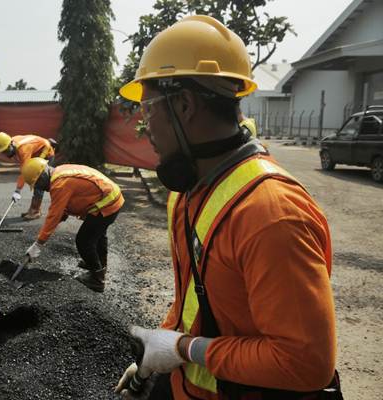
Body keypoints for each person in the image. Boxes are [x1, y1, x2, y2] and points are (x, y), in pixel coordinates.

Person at [114, 16, 341, 400]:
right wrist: (157, 354)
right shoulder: (187, 193)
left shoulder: (271, 214)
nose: (145, 125)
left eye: (148, 108)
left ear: (184, 104)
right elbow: (193, 300)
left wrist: (184, 348)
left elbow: (305, 363)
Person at [21, 157, 123, 292]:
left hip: (107, 202)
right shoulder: (59, 172)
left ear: (42, 177)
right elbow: (66, 204)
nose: (41, 189)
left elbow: (53, 215)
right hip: (111, 197)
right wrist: (62, 214)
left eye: (38, 184)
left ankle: (97, 280)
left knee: (84, 240)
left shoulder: (59, 184)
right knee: (97, 236)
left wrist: (38, 244)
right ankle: (99, 266)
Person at [0, 132, 55, 220]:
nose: (5, 154)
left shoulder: (23, 149)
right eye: (3, 152)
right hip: (36, 154)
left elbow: (24, 172)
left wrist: (18, 190)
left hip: (46, 153)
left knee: (38, 180)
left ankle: (35, 211)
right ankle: (34, 209)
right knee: (37, 181)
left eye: (6, 150)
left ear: (10, 144)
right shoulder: (13, 142)